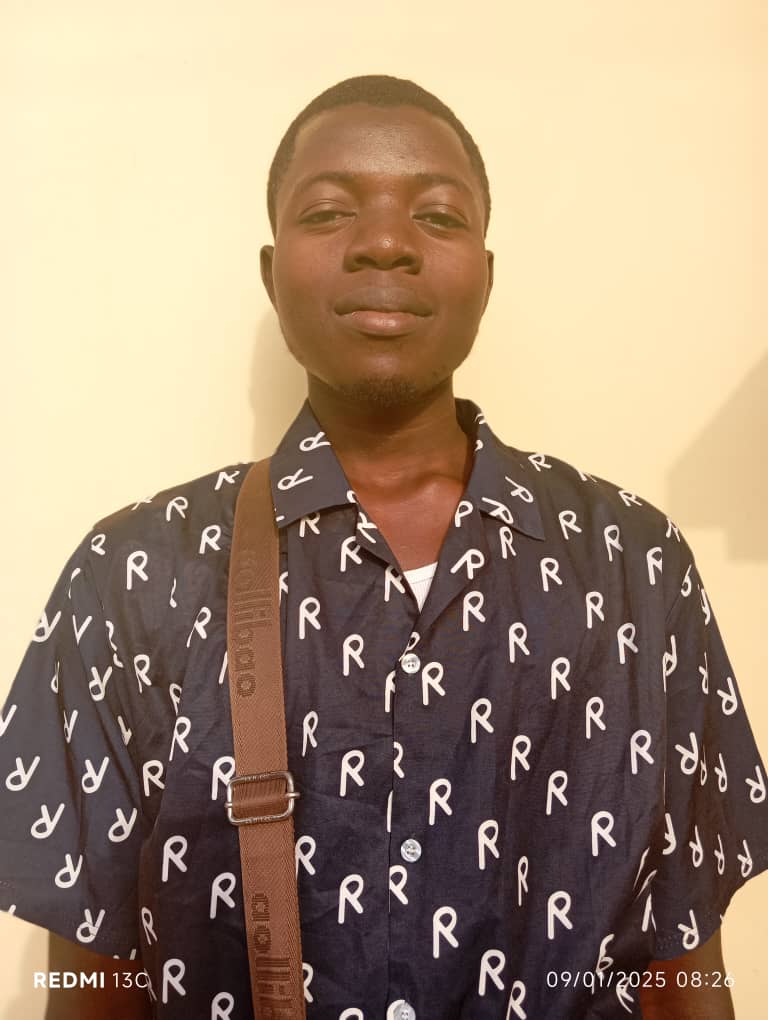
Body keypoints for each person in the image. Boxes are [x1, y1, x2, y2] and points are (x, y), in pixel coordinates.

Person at [1, 73, 766, 1020]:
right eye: (330, 211)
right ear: (271, 271)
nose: (386, 242)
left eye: (437, 217)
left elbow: (685, 969)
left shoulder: (634, 565)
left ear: (487, 274)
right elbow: (88, 982)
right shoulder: (133, 575)